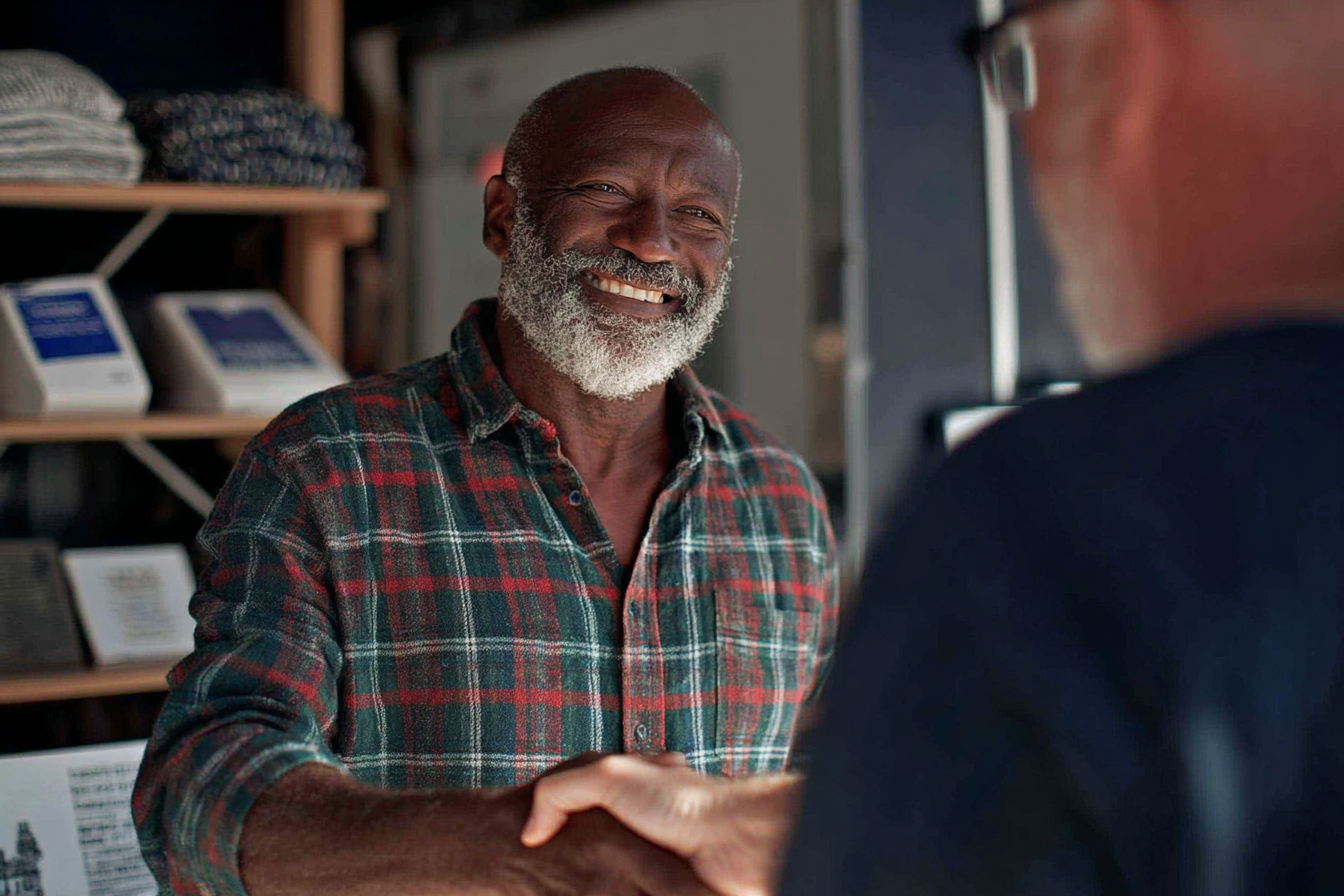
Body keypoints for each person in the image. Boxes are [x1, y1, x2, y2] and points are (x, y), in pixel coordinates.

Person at [520, 0, 1344, 893]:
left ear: (1125, 55)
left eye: (1020, 63)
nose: (653, 240)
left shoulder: (1061, 526)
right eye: (604, 190)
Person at [131, 67, 838, 896]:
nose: (652, 242)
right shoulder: (327, 465)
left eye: (698, 216)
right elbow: (197, 787)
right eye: (607, 189)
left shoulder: (780, 499)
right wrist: (511, 849)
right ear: (504, 217)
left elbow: (829, 782)